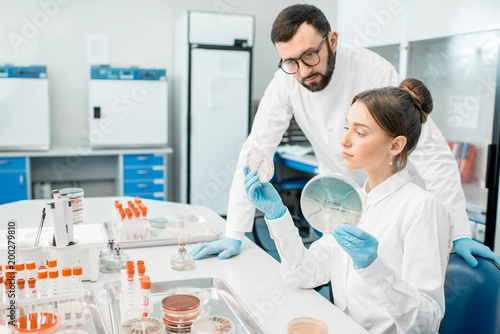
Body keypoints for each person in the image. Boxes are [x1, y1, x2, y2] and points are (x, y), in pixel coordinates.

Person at [190, 4, 500, 267]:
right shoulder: (285, 81)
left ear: (333, 40)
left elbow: (430, 150)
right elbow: (255, 151)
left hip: (392, 192)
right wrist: (235, 231)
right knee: (340, 283)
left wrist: (459, 230)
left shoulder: (372, 70)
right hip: (338, 197)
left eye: (310, 55)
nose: (301, 71)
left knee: (389, 283)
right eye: (290, 61)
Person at [244, 78, 451, 334]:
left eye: (360, 132)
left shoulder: (423, 209)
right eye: (347, 127)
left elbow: (427, 323)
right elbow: (303, 274)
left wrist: (374, 267)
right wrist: (278, 216)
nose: (344, 140)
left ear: (396, 145)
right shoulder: (354, 201)